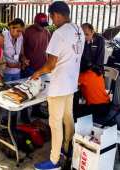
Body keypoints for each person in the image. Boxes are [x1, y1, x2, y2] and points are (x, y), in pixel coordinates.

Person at [31, 1, 85, 169]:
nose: (52, 21)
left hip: (59, 85)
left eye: (52, 17)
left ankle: (54, 160)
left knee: (55, 123)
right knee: (68, 117)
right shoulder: (79, 29)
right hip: (71, 83)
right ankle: (68, 148)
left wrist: (37, 73)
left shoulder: (59, 33)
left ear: (57, 14)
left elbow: (51, 64)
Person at [22, 13, 51, 77]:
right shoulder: (27, 31)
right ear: (35, 22)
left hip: (43, 67)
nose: (42, 27)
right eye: (41, 25)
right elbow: (21, 47)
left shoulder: (47, 32)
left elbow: (49, 49)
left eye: (44, 25)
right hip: (30, 67)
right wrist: (23, 58)